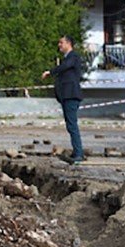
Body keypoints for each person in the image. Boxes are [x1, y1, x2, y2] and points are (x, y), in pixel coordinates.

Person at [42, 35, 84, 164]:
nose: (59, 45)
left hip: (71, 96)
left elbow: (65, 66)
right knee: (70, 125)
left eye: (61, 42)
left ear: (69, 44)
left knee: (72, 125)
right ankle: (77, 152)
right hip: (66, 97)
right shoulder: (67, 60)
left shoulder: (73, 57)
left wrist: (50, 72)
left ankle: (78, 154)